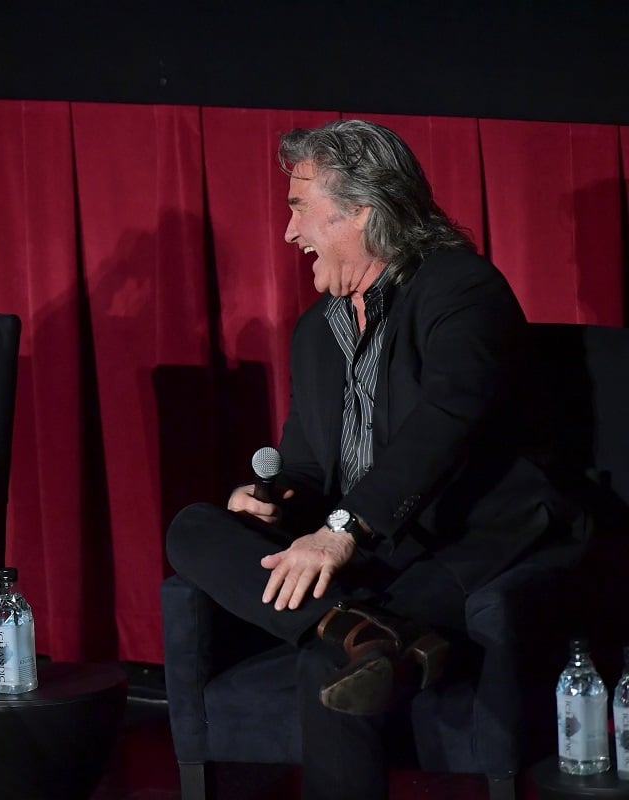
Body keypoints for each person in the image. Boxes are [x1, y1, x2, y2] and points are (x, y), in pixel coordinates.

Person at [166, 119, 584, 800]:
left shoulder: (461, 290)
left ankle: (347, 635)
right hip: (361, 544)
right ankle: (363, 631)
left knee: (324, 665)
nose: (288, 234)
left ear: (362, 209)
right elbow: (306, 470)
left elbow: (447, 422)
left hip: (462, 539)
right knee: (193, 526)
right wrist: (273, 499)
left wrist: (341, 532)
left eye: (299, 208)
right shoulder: (316, 330)